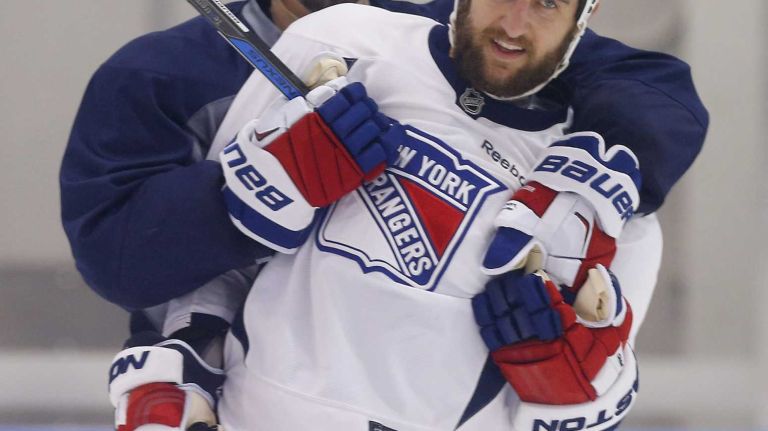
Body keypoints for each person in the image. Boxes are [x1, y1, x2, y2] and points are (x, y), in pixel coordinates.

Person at [61, 0, 707, 430]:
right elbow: (125, 257)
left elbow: (649, 87)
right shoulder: (160, 77)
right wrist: (176, 369)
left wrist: (585, 384)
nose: (518, 16)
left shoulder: (453, 28)